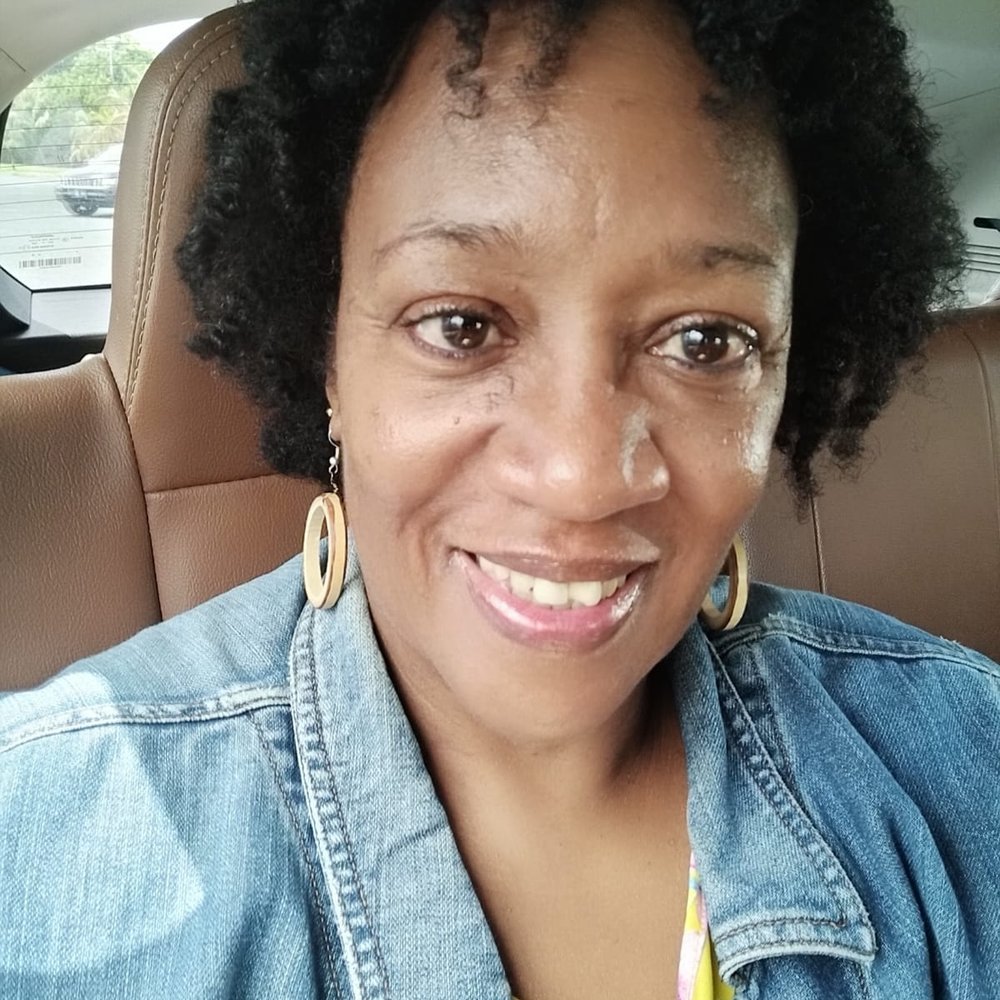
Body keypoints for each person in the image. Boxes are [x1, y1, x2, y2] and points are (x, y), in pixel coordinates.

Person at [1, 0, 997, 997]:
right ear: (326, 358)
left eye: (705, 341)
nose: (582, 477)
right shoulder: (48, 847)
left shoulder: (963, 760)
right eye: (461, 326)